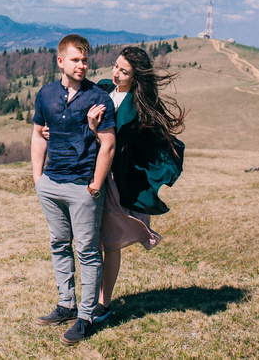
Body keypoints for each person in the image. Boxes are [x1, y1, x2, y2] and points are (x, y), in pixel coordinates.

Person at [87, 46, 186, 321]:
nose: (115, 73)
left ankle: (103, 303)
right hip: (88, 173)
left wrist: (97, 132)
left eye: (124, 71)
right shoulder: (103, 89)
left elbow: (115, 143)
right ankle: (86, 299)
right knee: (89, 240)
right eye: (116, 66)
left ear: (136, 77)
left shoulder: (137, 108)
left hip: (115, 180)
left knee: (110, 243)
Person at [31, 34, 116, 345]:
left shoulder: (99, 98)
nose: (82, 65)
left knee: (88, 251)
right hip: (51, 183)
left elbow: (108, 145)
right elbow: (39, 135)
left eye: (85, 60)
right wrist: (38, 178)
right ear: (60, 62)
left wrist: (94, 185)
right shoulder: (46, 95)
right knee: (58, 244)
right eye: (76, 59)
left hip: (83, 186)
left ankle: (85, 317)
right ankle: (66, 305)